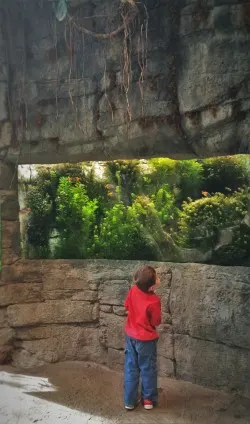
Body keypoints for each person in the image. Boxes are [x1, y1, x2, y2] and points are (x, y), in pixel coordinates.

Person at [124, 265, 161, 411]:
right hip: (146, 340)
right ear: (152, 287)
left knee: (131, 368)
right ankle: (148, 400)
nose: (159, 278)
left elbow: (127, 306)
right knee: (148, 369)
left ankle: (129, 401)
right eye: (157, 277)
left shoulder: (133, 290)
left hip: (131, 336)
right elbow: (156, 321)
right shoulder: (154, 300)